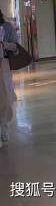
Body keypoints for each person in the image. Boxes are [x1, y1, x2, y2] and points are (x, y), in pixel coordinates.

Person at [0, 10, 18, 148]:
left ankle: (4, 126)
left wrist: (4, 45)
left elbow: (16, 47)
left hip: (3, 65)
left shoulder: (6, 27)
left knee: (5, 98)